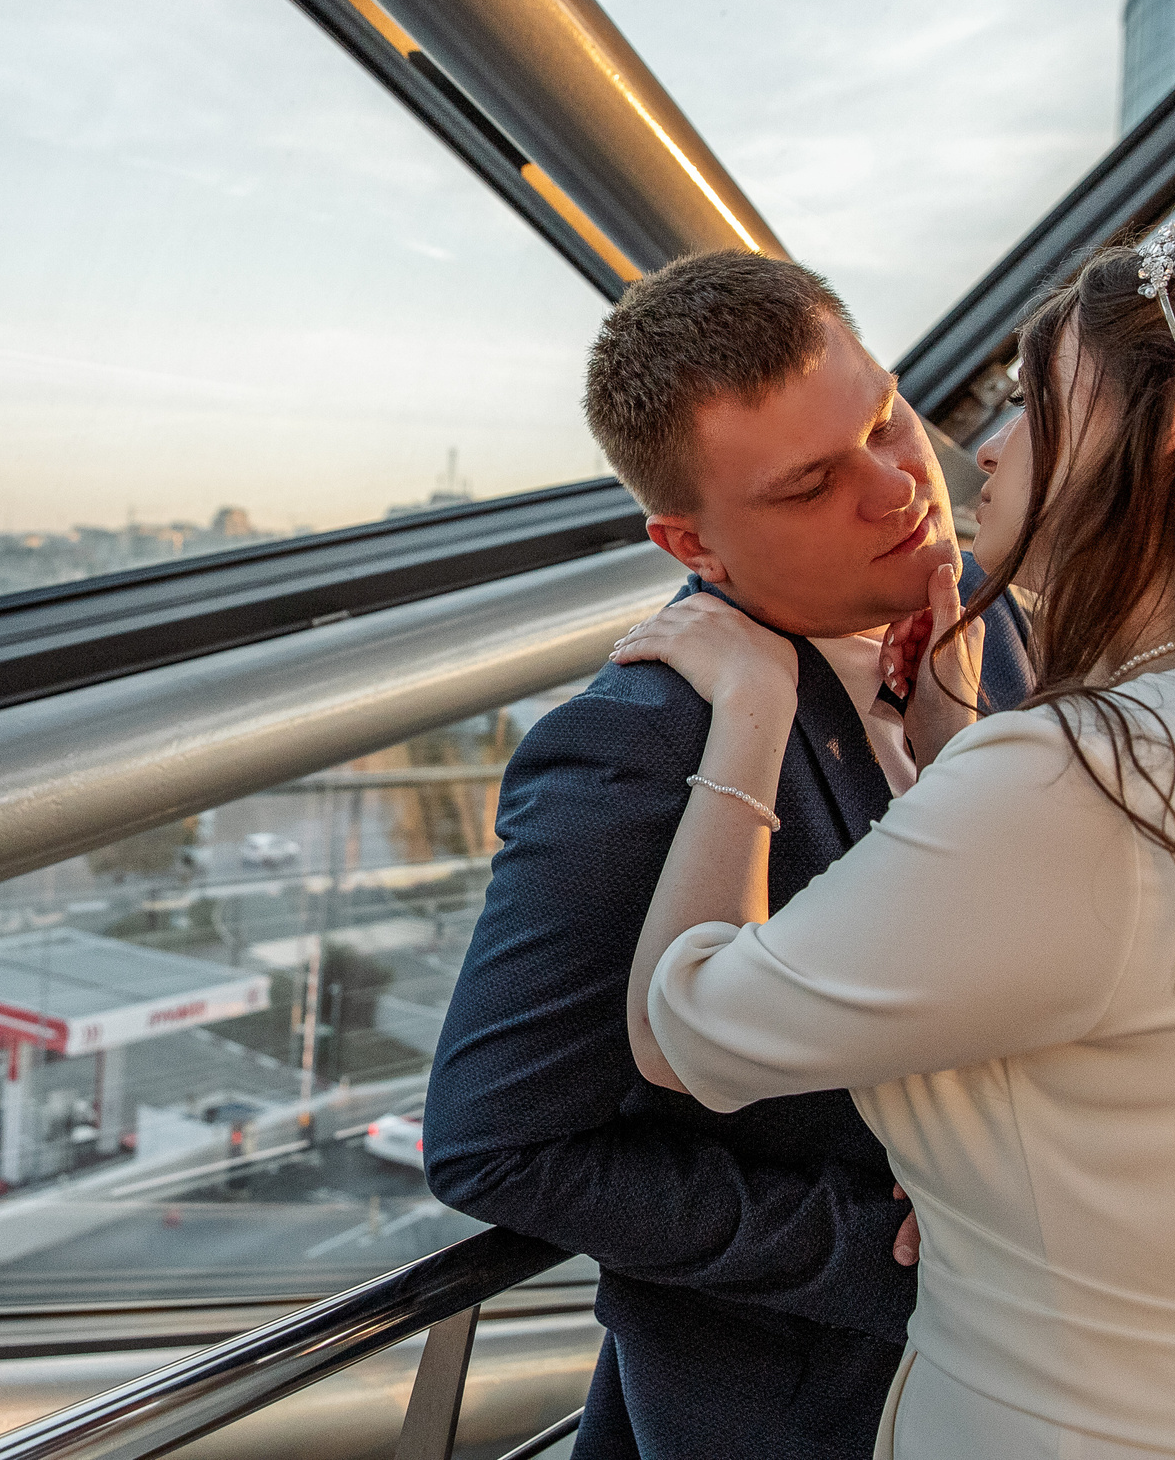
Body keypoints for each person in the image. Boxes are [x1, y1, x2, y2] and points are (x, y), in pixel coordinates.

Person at [616, 222, 1175, 1458]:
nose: (979, 444)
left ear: (1172, 424)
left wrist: (752, 708)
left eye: (1037, 401)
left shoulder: (1085, 777)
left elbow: (678, 1028)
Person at [424, 250, 1035, 1460]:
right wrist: (880, 1246)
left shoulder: (984, 604)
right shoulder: (633, 750)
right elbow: (497, 1141)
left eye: (884, 418)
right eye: (810, 484)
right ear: (690, 546)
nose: (896, 488)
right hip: (812, 1409)